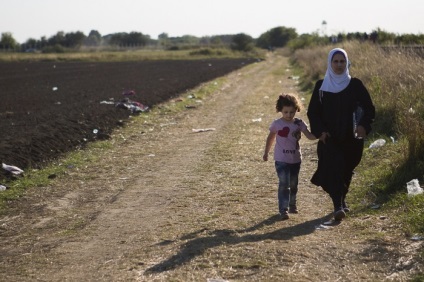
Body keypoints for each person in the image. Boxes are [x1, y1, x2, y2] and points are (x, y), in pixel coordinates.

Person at [307, 48, 375, 221]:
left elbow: (369, 109)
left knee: (347, 169)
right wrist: (320, 132)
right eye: (335, 61)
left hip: (352, 138)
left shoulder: (356, 85)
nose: (338, 65)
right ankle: (337, 204)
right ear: (330, 63)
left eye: (342, 61)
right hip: (329, 137)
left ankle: (342, 199)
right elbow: (313, 112)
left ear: (347, 63)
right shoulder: (321, 87)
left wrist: (363, 126)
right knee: (334, 168)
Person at [263, 93, 316, 220]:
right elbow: (270, 138)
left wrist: (322, 134)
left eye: (292, 112)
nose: (289, 115)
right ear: (280, 110)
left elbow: (309, 136)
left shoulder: (299, 123)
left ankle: (292, 204)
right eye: (286, 112)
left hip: (295, 159)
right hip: (281, 160)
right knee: (283, 183)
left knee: (294, 184)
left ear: (296, 110)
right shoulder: (277, 124)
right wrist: (266, 152)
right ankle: (283, 209)